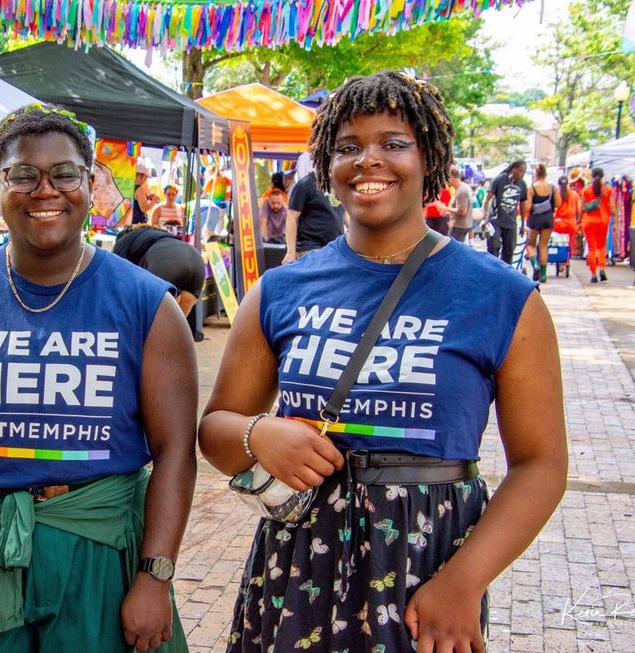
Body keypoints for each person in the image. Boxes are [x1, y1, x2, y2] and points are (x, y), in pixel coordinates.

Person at [198, 71, 567, 653]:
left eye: (393, 143)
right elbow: (215, 431)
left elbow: (541, 464)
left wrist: (465, 581)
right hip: (296, 565)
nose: (369, 160)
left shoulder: (502, 297)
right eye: (348, 146)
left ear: (429, 159)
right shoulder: (280, 290)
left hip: (428, 569)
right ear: (327, 164)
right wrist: (258, 434)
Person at [0, 104, 196, 653]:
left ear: (90, 180)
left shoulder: (147, 306)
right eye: (24, 174)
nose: (45, 190)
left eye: (65, 173)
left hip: (99, 553)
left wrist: (156, 574)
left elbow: (176, 449)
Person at [113, 224, 205, 316]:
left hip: (167, 262)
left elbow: (120, 273)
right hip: (196, 260)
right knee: (178, 325)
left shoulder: (124, 239)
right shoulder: (160, 235)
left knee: (145, 316)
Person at [283, 171, 345, 263]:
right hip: (311, 247)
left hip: (335, 247)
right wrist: (290, 252)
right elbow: (291, 217)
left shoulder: (337, 185)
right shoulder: (305, 184)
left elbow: (345, 215)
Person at [483, 160, 528, 264]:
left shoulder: (522, 184)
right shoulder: (499, 180)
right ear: (514, 169)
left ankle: (505, 274)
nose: (522, 174)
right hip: (496, 220)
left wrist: (523, 225)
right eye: (521, 171)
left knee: (509, 250)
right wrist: (485, 218)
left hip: (511, 222)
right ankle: (492, 271)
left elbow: (523, 204)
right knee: (494, 247)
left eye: (524, 172)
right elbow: (487, 199)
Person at [525, 163, 561, 283]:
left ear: (535, 174)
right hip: (548, 218)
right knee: (543, 245)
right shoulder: (552, 187)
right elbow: (558, 204)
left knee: (530, 244)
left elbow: (528, 206)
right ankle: (544, 275)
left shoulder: (532, 188)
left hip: (535, 218)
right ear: (546, 173)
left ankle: (535, 265)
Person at [580, 167, 614, 283]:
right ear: (603, 176)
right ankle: (602, 268)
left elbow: (582, 207)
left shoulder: (586, 190)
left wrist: (579, 220)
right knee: (601, 246)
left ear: (592, 176)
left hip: (588, 222)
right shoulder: (608, 189)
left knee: (591, 247)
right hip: (603, 221)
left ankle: (593, 273)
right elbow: (612, 208)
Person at [552, 175, 580, 275]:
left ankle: (559, 262)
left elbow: (554, 211)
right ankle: (566, 262)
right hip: (571, 225)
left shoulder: (556, 194)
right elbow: (579, 211)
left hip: (558, 225)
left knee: (558, 243)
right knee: (569, 245)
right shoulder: (574, 195)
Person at [444, 165, 473, 243]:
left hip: (459, 226)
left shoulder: (461, 191)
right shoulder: (464, 188)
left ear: (451, 177)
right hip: (464, 224)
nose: (447, 181)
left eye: (448, 179)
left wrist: (446, 208)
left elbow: (462, 211)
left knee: (452, 249)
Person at [130, 161, 156, 226]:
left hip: (130, 221)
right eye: (145, 177)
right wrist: (154, 201)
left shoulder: (130, 187)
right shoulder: (139, 189)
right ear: (139, 175)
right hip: (138, 224)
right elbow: (144, 208)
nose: (145, 180)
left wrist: (147, 198)